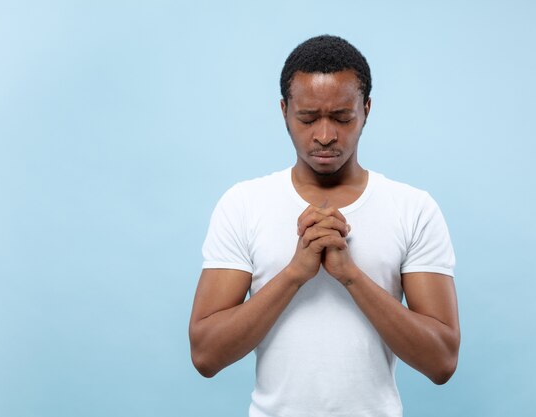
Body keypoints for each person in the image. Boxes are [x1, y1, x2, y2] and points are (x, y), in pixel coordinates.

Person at [189, 34, 460, 417]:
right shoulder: (243, 204)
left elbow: (442, 361)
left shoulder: (413, 208)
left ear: (366, 109)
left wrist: (350, 276)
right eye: (308, 117)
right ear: (284, 111)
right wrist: (294, 274)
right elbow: (206, 354)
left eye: (342, 117)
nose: (325, 135)